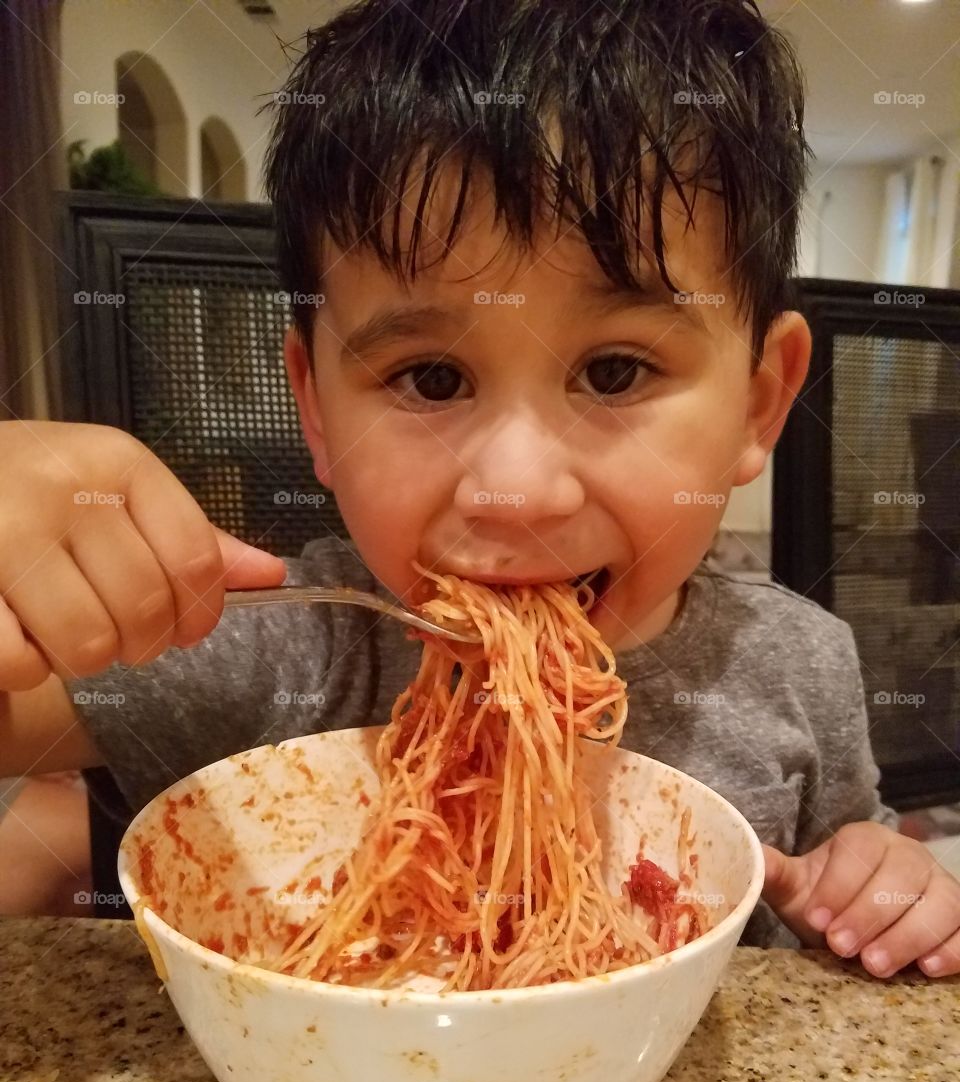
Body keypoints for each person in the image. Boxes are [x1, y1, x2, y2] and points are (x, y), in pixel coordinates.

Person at [1, 0, 958, 975]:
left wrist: (884, 884)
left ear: (760, 404)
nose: (516, 491)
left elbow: (850, 868)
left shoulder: (799, 665)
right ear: (319, 411)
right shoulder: (273, 641)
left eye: (616, 371)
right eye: (432, 378)